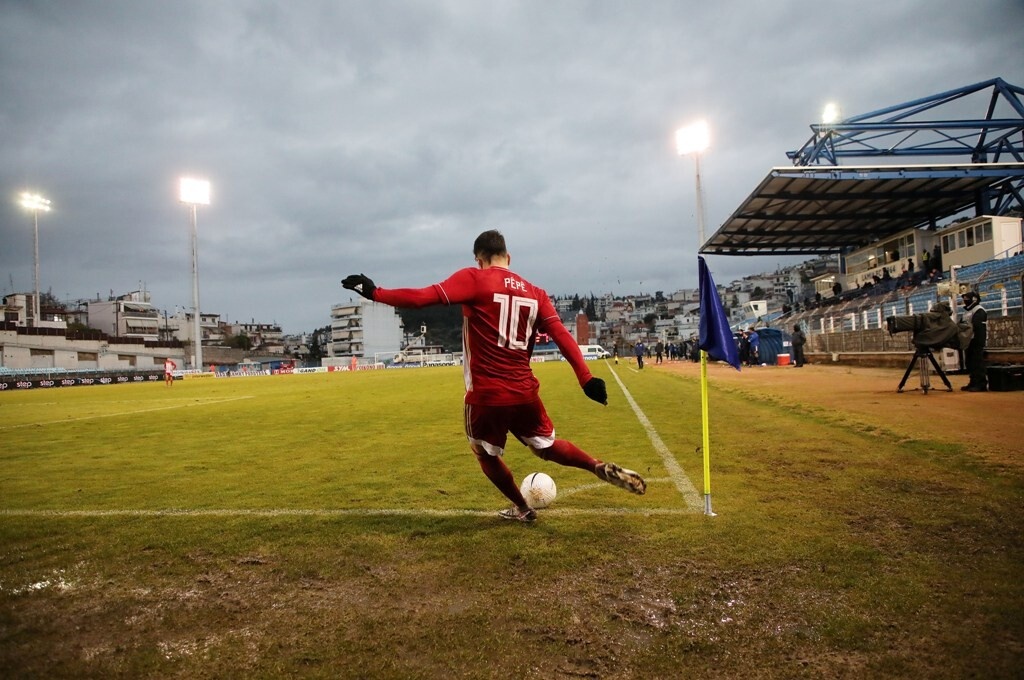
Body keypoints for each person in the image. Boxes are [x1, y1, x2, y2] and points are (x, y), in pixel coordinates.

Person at [341, 230, 646, 523]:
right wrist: (586, 379)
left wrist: (374, 291)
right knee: (546, 446)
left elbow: (423, 297)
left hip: (486, 395)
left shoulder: (474, 279)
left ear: (480, 260)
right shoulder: (536, 293)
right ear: (508, 257)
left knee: (485, 455)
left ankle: (523, 509)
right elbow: (562, 336)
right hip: (525, 392)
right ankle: (595, 465)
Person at [960, 290, 988, 392]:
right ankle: (973, 382)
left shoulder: (979, 310)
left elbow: (978, 327)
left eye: (967, 298)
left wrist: (977, 340)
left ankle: (981, 384)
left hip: (976, 340)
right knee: (970, 362)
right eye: (964, 298)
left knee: (977, 361)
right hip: (968, 341)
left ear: (974, 299)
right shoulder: (967, 312)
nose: (964, 300)